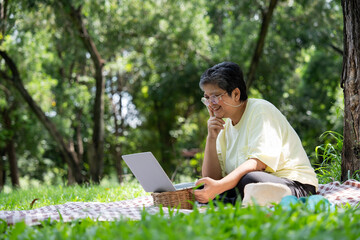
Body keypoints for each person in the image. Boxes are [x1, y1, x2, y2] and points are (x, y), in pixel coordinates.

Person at [193, 62, 318, 205]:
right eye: (207, 98)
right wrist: (211, 137)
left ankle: (232, 201)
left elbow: (258, 163)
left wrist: (220, 187)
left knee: (250, 180)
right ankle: (238, 201)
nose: (211, 103)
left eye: (215, 96)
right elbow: (211, 178)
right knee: (204, 186)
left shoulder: (260, 110)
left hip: (294, 185)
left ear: (236, 94)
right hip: (251, 186)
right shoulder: (224, 124)